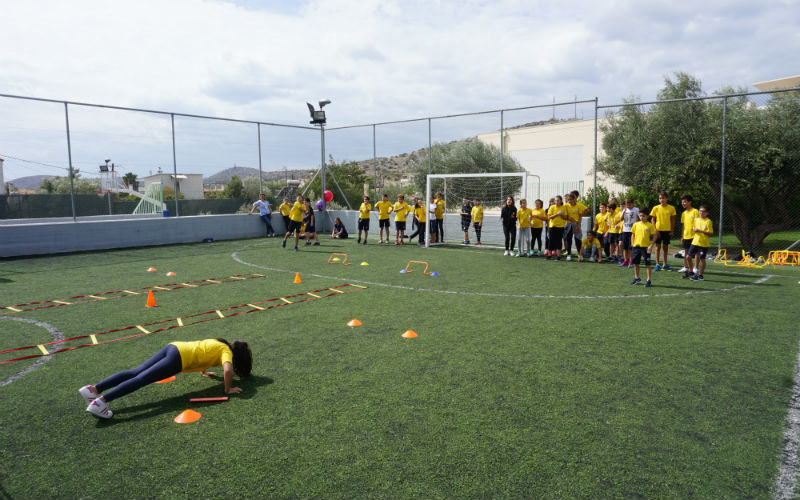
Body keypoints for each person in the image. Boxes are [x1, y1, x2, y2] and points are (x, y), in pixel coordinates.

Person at [79, 338, 252, 419]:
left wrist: (204, 372)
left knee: (136, 372)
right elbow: (228, 369)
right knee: (141, 380)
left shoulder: (220, 343)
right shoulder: (227, 352)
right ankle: (100, 402)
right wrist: (227, 389)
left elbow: (203, 352)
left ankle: (93, 390)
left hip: (173, 346)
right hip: (178, 359)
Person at [649, 191, 676, 271]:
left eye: (663, 198)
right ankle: (657, 264)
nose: (662, 200)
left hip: (667, 231)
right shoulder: (655, 208)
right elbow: (652, 220)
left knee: (665, 247)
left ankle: (665, 264)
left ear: (667, 198)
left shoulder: (671, 208)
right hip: (658, 231)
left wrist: (672, 230)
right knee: (657, 247)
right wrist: (655, 230)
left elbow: (673, 220)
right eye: (660, 198)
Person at [688, 205, 713, 281]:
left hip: (703, 244)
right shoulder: (696, 219)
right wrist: (694, 229)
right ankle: (691, 272)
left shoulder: (708, 221)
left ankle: (700, 276)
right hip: (695, 242)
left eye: (703, 211)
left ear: (707, 213)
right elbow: (694, 228)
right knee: (688, 257)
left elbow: (710, 233)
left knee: (702, 259)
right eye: (700, 211)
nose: (701, 213)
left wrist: (700, 231)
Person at [630, 211, 656, 287]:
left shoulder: (650, 225)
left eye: (643, 216)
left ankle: (648, 280)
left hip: (645, 248)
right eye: (640, 216)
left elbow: (654, 236)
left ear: (647, 216)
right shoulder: (636, 224)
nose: (642, 217)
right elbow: (633, 235)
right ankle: (637, 278)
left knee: (647, 264)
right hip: (636, 247)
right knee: (636, 263)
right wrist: (632, 244)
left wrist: (651, 245)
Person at [679, 195, 699, 275]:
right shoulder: (683, 213)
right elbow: (683, 225)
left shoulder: (695, 211)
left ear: (690, 202)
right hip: (686, 235)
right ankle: (686, 267)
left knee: (696, 252)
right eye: (682, 202)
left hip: (694, 236)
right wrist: (682, 236)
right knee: (686, 251)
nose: (683, 203)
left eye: (684, 202)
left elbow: (698, 222)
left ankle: (696, 268)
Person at [619, 197, 640, 268]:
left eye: (630, 205)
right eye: (627, 205)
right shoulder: (625, 209)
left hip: (632, 231)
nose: (628, 206)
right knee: (624, 247)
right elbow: (621, 219)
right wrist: (624, 211)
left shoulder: (636, 209)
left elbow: (639, 218)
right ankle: (625, 260)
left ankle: (631, 261)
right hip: (625, 230)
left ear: (633, 204)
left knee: (631, 247)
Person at [546, 195, 568, 260]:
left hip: (560, 227)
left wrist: (561, 215)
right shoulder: (552, 207)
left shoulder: (563, 207)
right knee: (551, 241)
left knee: (559, 241)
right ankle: (549, 255)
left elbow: (565, 217)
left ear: (561, 201)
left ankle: (558, 256)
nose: (556, 202)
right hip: (552, 226)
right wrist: (557, 214)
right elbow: (549, 217)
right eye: (555, 200)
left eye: (558, 200)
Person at [569, 190, 591, 254]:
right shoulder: (568, 204)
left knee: (577, 238)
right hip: (568, 223)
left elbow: (587, 210)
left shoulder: (579, 204)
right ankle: (568, 252)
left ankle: (580, 252)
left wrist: (581, 215)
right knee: (568, 238)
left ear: (576, 196)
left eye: (572, 195)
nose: (571, 197)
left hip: (576, 223)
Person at [605, 198, 622, 262]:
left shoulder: (617, 214)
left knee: (616, 244)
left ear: (611, 209)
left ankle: (617, 256)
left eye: (608, 208)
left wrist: (617, 224)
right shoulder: (608, 214)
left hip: (616, 232)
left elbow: (622, 220)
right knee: (611, 244)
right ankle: (611, 256)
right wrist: (608, 223)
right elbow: (605, 219)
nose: (607, 209)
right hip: (610, 231)